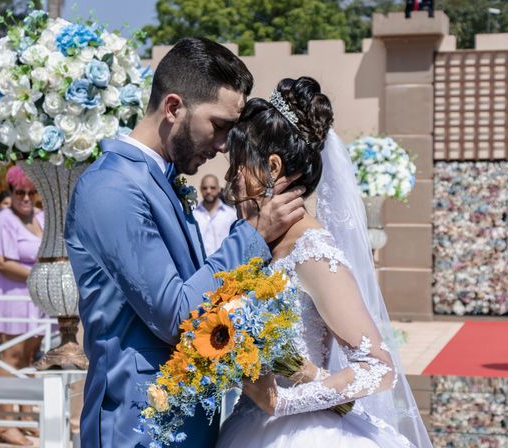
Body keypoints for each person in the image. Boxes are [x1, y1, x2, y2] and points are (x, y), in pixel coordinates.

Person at [64, 38, 306, 448]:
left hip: (183, 420)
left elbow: (201, 291)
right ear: (174, 107)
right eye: (220, 125)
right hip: (138, 427)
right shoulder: (113, 187)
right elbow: (176, 314)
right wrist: (253, 235)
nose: (224, 144)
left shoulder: (157, 179)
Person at [216, 77, 432, 448]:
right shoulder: (259, 246)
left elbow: (378, 369)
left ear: (272, 166)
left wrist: (283, 402)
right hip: (246, 426)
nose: (229, 180)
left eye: (238, 165)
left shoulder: (312, 251)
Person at [0, 166, 44, 446]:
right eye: (20, 192)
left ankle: (25, 416)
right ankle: (5, 423)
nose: (26, 197)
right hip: (12, 300)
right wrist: (39, 275)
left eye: (31, 192)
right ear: (11, 192)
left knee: (29, 358)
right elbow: (0, 261)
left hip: (36, 303)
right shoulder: (2, 220)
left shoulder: (42, 217)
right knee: (10, 358)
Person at [193, 174, 237, 255]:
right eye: (205, 188)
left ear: (219, 189)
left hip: (226, 264)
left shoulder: (231, 214)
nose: (208, 191)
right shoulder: (193, 215)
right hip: (202, 266)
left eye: (212, 188)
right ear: (200, 189)